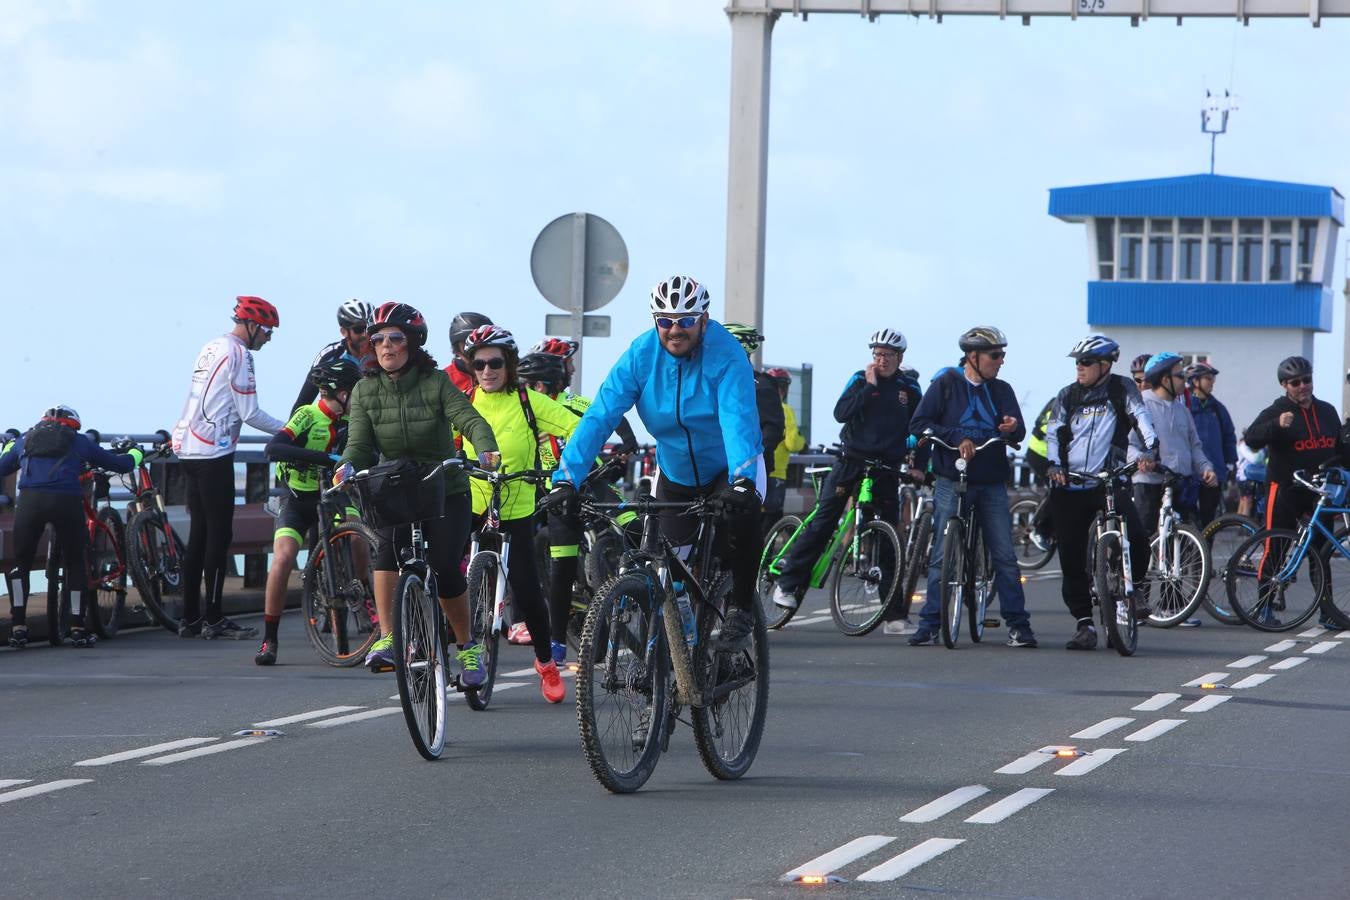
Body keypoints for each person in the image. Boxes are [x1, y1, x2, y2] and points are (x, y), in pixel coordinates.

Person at [544, 274, 765, 652]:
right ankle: (676, 654)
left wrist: (742, 480)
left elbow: (737, 419)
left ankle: (741, 607)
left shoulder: (727, 356)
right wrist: (566, 478)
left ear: (704, 320)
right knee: (668, 567)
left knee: (739, 523)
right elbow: (600, 415)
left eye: (685, 320)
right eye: (664, 321)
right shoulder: (641, 355)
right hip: (676, 470)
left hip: (728, 467)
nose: (674, 330)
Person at [334, 302, 501, 681]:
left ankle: (467, 648)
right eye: (378, 339)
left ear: (412, 342)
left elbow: (470, 419)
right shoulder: (364, 391)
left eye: (396, 338)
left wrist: (486, 449)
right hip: (396, 487)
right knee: (386, 554)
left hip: (445, 487)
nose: (387, 346)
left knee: (443, 564)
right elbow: (359, 445)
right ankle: (389, 639)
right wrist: (346, 466)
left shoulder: (436, 382)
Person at [458, 325, 579, 702]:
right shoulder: (463, 401)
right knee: (444, 573)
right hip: (474, 503)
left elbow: (578, 429)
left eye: (495, 363)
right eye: (479, 364)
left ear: (509, 364)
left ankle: (545, 662)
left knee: (527, 590)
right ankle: (456, 649)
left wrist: (565, 471)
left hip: (516, 506)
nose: (487, 371)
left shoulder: (529, 402)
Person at [767, 329, 917, 624]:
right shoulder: (860, 380)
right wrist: (869, 387)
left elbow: (918, 427)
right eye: (877, 354)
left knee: (888, 538)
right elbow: (840, 413)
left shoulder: (909, 390)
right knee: (824, 521)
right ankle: (787, 582)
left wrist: (918, 461)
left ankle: (894, 614)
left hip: (885, 467)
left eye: (888, 354)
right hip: (852, 460)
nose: (882, 359)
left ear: (899, 358)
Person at [908, 326, 1037, 648]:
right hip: (952, 479)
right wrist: (956, 438)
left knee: (1005, 556)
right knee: (941, 554)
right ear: (973, 357)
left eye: (1002, 355)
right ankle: (929, 624)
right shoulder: (946, 385)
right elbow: (919, 423)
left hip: (991, 481)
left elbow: (1017, 433)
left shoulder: (1002, 389)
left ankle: (1018, 626)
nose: (1001, 361)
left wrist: (1013, 427)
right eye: (996, 355)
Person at [170, 296, 285, 639]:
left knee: (200, 536)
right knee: (220, 536)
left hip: (188, 448)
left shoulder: (211, 346)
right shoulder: (240, 354)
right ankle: (214, 617)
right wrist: (291, 428)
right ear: (251, 326)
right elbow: (250, 413)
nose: (268, 338)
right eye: (267, 331)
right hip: (213, 454)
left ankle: (190, 619)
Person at [517, 351, 638, 667]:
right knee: (561, 568)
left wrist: (627, 442)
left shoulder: (575, 404)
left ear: (541, 386)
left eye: (527, 384)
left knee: (633, 524)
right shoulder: (525, 414)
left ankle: (641, 583)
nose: (522, 390)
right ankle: (556, 642)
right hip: (558, 495)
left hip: (593, 480)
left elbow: (614, 416)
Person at [1044, 335, 1157, 650]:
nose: (1079, 367)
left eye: (1086, 362)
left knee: (1137, 539)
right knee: (1071, 557)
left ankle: (1128, 593)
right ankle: (1084, 624)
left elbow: (1143, 421)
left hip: (1110, 479)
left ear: (1105, 365)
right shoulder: (1067, 395)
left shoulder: (1123, 389)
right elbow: (1054, 433)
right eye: (1077, 362)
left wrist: (1150, 449)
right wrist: (1055, 466)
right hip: (1071, 482)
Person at [2, 407, 141, 648]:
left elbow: (3, 466)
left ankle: (18, 627)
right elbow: (120, 465)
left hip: (30, 501)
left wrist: (9, 445)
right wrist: (135, 453)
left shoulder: (25, 439)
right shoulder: (79, 441)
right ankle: (78, 627)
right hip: (66, 501)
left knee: (20, 564)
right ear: (74, 424)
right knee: (76, 562)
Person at [257, 359, 363, 666]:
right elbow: (273, 449)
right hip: (299, 500)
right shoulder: (308, 415)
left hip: (335, 497)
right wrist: (324, 457)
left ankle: (362, 592)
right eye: (353, 390)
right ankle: (269, 638)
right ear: (339, 392)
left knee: (358, 536)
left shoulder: (353, 421)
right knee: (283, 557)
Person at [1244, 356, 1350, 629]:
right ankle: (1264, 606)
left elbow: (1340, 450)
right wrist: (1276, 426)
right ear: (1284, 385)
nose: (1303, 386)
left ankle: (1327, 612)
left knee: (1322, 552)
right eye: (1296, 382)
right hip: (1285, 489)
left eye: (1307, 380)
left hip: (1320, 491)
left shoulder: (1326, 411)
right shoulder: (1277, 410)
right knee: (1275, 548)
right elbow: (1252, 439)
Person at [1130, 353, 1217, 535]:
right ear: (1164, 379)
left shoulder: (1183, 411)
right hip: (1148, 484)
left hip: (1178, 484)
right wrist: (1142, 459)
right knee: (1143, 542)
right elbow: (1129, 444)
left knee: (1183, 544)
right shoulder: (1141, 406)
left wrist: (1205, 468)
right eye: (1180, 376)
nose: (1185, 381)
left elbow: (1194, 446)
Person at [723, 324, 786, 480]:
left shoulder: (760, 386)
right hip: (718, 468)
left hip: (749, 472)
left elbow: (773, 429)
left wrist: (749, 457)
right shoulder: (720, 380)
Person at [291, 300, 373, 412]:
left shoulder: (382, 350)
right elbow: (304, 401)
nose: (365, 334)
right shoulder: (329, 355)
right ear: (344, 332)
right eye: (358, 329)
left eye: (369, 328)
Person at [1184, 361, 1237, 526]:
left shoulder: (1218, 409)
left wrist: (1230, 464)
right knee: (1187, 517)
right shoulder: (1184, 407)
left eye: (1212, 378)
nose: (1212, 382)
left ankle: (1206, 550)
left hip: (1213, 473)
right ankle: (1187, 551)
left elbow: (1229, 436)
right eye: (1208, 378)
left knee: (1209, 521)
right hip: (1189, 473)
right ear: (1195, 381)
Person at [762, 367, 806, 535]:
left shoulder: (756, 404)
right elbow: (792, 443)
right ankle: (764, 559)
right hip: (777, 472)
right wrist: (802, 442)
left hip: (757, 470)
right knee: (772, 520)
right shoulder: (785, 409)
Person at [445, 311, 493, 393]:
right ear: (457, 349)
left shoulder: (504, 373)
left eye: (482, 344)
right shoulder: (444, 380)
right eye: (467, 343)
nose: (473, 348)